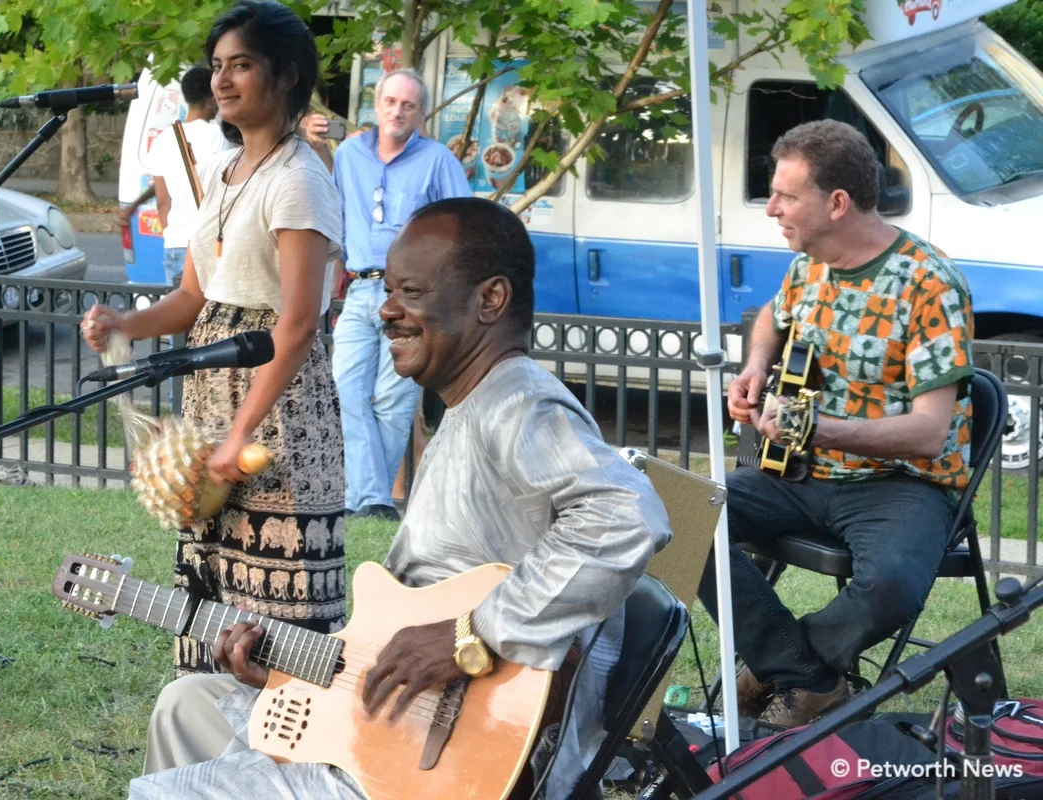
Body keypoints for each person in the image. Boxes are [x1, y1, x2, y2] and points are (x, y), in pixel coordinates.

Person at [128, 197, 672, 800]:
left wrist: (474, 634)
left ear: (490, 300)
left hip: (459, 758)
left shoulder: (519, 403)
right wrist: (286, 671)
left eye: (411, 291)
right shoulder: (471, 404)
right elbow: (408, 623)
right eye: (388, 290)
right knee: (187, 704)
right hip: (397, 722)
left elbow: (627, 516)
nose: (386, 310)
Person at [81, 0, 347, 676]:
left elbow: (295, 323)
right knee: (214, 588)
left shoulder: (298, 180)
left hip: (275, 407)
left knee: (276, 618)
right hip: (213, 397)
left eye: (242, 66)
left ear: (285, 75)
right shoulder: (228, 174)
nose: (223, 81)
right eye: (218, 67)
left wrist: (240, 433)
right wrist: (125, 324)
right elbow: (196, 298)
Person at [698, 120, 975, 729]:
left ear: (837, 203)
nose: (771, 209)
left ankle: (770, 671)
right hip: (801, 473)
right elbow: (775, 312)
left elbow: (930, 432)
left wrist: (816, 427)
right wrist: (755, 365)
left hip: (905, 481)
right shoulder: (810, 265)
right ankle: (808, 679)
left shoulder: (928, 283)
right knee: (679, 517)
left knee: (892, 586)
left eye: (786, 197)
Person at [330, 68, 471, 521]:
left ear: (421, 112)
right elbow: (335, 216)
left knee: (393, 401)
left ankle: (363, 502)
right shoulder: (349, 153)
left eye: (408, 105)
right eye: (391, 102)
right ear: (377, 104)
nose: (398, 111)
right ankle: (370, 498)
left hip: (413, 296)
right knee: (344, 389)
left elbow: (462, 225)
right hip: (360, 287)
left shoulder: (437, 161)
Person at [117, 66, 230, 286]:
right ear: (211, 99)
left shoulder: (164, 139)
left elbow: (162, 199)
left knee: (178, 314)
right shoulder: (218, 136)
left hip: (175, 243)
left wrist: (171, 233)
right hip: (207, 243)